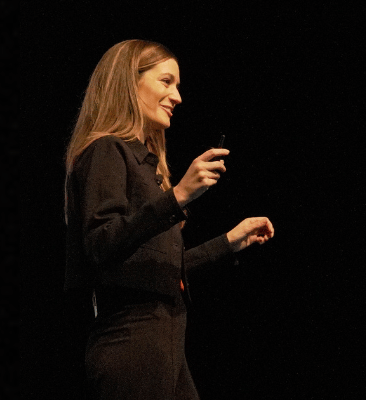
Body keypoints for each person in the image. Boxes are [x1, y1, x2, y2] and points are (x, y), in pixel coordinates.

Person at [64, 39, 275, 400]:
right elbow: (100, 243)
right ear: (131, 83)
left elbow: (158, 269)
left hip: (165, 345)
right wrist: (177, 196)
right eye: (166, 82)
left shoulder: (147, 168)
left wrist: (228, 242)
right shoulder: (106, 150)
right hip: (132, 343)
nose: (177, 96)